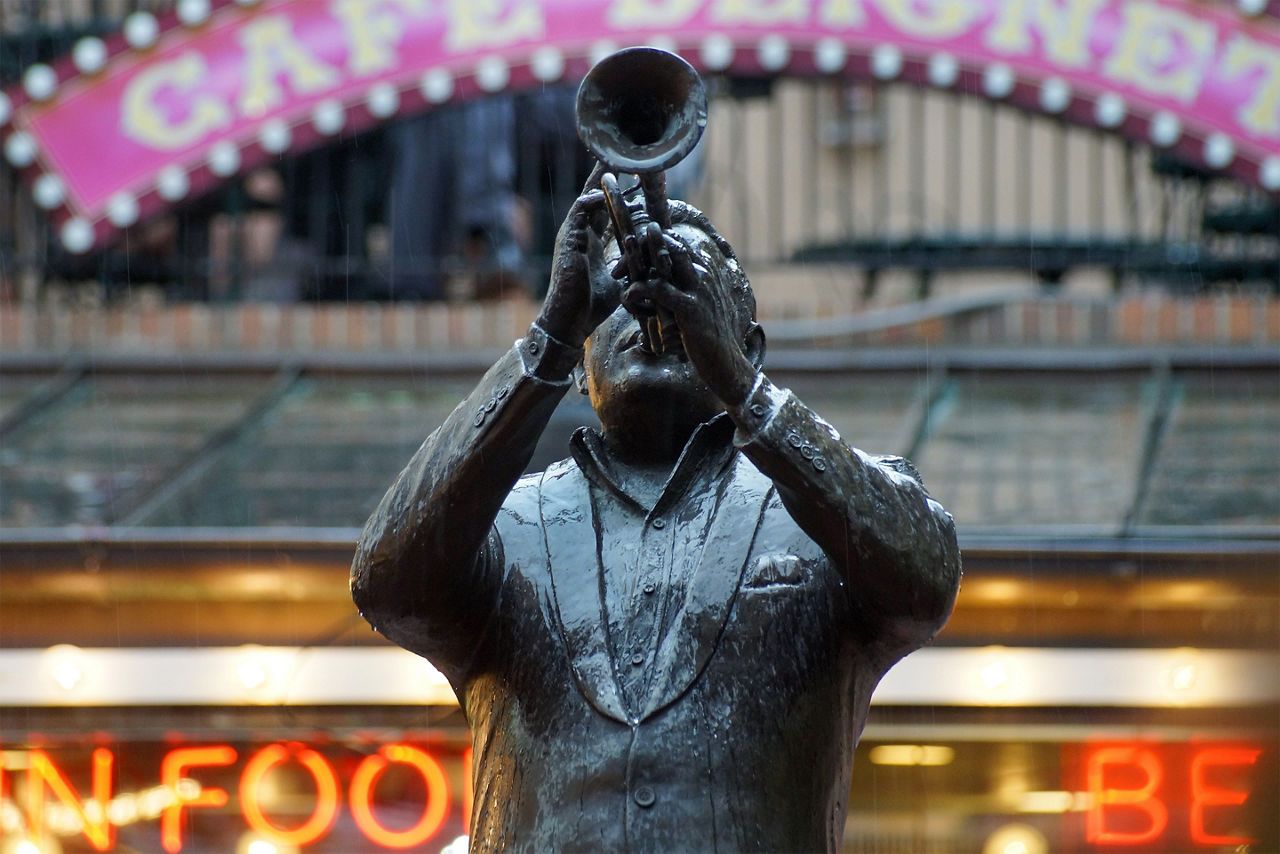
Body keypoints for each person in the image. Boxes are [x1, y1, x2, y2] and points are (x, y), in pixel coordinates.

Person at [351, 163, 962, 852]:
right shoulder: (504, 524)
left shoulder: (821, 510)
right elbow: (385, 583)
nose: (650, 310)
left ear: (750, 348)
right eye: (620, 300)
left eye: (685, 289)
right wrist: (548, 337)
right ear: (582, 366)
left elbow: (924, 582)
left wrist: (745, 390)